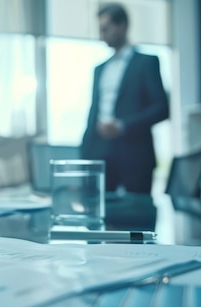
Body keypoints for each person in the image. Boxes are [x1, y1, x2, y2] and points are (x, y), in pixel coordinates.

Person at [81, 3, 169, 194]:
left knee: (139, 217)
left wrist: (122, 126)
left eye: (106, 29)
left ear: (123, 26)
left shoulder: (147, 63)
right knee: (101, 217)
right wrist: (84, 155)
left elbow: (161, 108)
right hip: (100, 154)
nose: (101, 35)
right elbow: (93, 113)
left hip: (135, 154)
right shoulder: (100, 69)